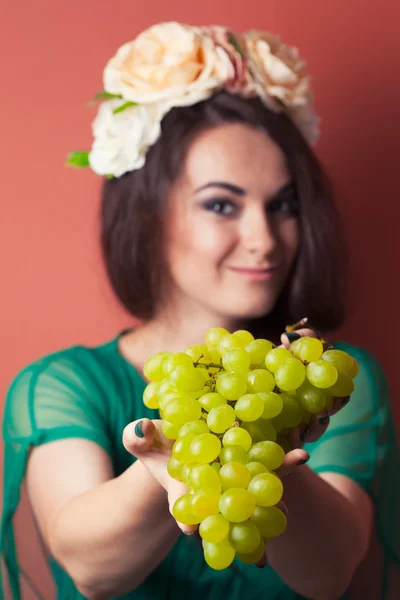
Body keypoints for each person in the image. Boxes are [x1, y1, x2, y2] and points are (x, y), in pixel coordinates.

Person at [1, 21, 399, 600]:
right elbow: (91, 569)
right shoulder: (61, 385)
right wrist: (177, 455)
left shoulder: (327, 380)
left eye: (283, 204)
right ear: (146, 217)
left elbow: (329, 574)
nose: (265, 238)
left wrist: (273, 448)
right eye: (221, 204)